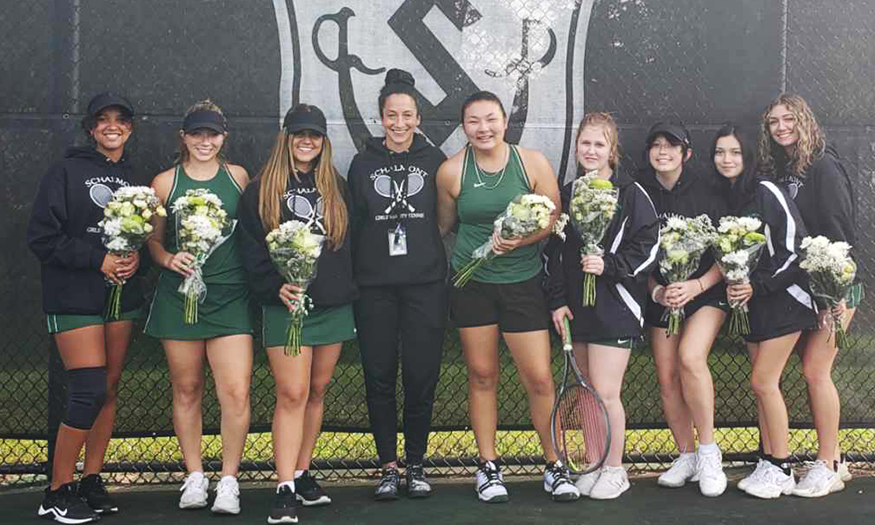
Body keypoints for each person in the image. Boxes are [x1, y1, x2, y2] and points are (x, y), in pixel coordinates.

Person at [436, 90, 578, 503]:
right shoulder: (450, 172)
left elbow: (553, 218)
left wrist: (519, 241)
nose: (484, 128)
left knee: (539, 378)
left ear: (505, 121)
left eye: (491, 119)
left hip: (523, 283)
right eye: (474, 121)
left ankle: (554, 465)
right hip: (472, 284)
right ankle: (488, 467)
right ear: (464, 127)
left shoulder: (531, 162)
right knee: (482, 376)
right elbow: (446, 225)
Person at [237, 104, 358, 523]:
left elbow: (349, 246)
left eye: (315, 135)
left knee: (317, 390)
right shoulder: (261, 188)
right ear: (285, 137)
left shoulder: (337, 186)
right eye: (299, 134)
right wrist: (276, 286)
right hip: (284, 305)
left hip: (332, 306)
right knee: (292, 393)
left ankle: (303, 473)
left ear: (324, 141)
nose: (307, 141)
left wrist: (341, 289)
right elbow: (250, 250)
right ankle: (284, 485)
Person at [28, 92, 143, 523]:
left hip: (120, 298)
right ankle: (57, 489)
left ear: (130, 127)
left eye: (121, 119)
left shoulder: (135, 176)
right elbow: (42, 238)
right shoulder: (64, 170)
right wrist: (98, 260)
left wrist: (134, 258)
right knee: (88, 389)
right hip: (73, 296)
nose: (112, 126)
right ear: (90, 128)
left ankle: (91, 480)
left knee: (108, 390)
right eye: (103, 120)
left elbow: (143, 235)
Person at [144, 100, 253, 515]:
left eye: (212, 134)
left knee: (235, 391)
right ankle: (194, 476)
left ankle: (228, 480)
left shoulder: (238, 177)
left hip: (229, 296)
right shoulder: (164, 183)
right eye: (197, 134)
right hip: (179, 298)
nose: (204, 141)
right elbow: (153, 241)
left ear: (224, 138)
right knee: (187, 388)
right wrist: (168, 259)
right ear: (184, 137)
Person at [545, 112, 659, 499]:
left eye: (599, 144)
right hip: (578, 309)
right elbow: (553, 255)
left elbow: (648, 247)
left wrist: (608, 265)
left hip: (617, 305)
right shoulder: (567, 193)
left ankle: (615, 468)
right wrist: (558, 302)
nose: (591, 151)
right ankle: (594, 463)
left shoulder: (631, 193)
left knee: (607, 391)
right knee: (586, 390)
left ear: (613, 149)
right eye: (585, 143)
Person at [347, 69, 447, 500]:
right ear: (381, 118)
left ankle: (417, 465)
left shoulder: (436, 161)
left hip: (425, 286)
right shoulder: (363, 162)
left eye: (408, 115)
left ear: (419, 117)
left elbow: (444, 220)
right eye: (392, 115)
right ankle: (389, 465)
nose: (400, 123)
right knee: (380, 375)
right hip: (375, 288)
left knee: (421, 376)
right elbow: (357, 223)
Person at [757, 93, 858, 497]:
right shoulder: (781, 170)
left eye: (789, 119)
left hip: (838, 284)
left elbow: (840, 235)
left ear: (805, 121)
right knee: (808, 371)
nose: (781, 127)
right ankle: (831, 459)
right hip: (804, 289)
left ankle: (829, 463)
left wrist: (836, 293)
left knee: (816, 370)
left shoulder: (824, 166)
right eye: (774, 122)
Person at [712, 123, 817, 499]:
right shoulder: (730, 198)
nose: (727, 159)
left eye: (735, 152)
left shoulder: (766, 190)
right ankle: (769, 460)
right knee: (761, 387)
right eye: (720, 152)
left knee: (762, 381)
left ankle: (783, 466)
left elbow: (797, 249)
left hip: (785, 298)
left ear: (749, 156)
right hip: (753, 302)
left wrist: (761, 284)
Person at [636, 122, 730, 496]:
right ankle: (686, 455)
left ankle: (709, 454)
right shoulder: (639, 191)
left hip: (706, 291)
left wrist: (696, 285)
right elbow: (634, 255)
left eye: (671, 146)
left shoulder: (709, 190)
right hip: (664, 295)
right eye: (656, 145)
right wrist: (658, 291)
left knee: (691, 358)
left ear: (686, 153)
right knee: (667, 376)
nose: (663, 152)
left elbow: (731, 252)